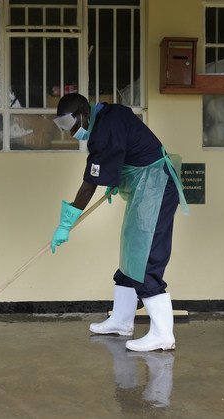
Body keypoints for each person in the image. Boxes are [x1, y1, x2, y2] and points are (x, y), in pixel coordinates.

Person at [51, 93, 188, 352]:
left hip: (156, 187)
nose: (71, 133)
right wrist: (115, 180)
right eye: (64, 128)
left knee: (146, 258)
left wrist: (66, 223)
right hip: (144, 188)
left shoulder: (104, 130)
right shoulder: (107, 116)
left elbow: (89, 183)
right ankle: (122, 321)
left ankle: (163, 334)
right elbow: (125, 153)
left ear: (83, 112)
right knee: (130, 252)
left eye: (71, 125)